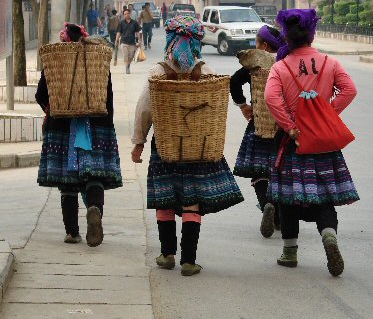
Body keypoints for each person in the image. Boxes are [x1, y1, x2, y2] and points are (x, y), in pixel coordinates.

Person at [131, 15, 244, 276]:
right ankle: (189, 260)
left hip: (166, 146)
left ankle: (167, 254)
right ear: (196, 43)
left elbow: (144, 110)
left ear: (170, 40)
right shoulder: (206, 72)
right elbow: (216, 111)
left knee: (165, 199)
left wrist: (139, 142)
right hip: (199, 147)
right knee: (192, 201)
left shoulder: (158, 73)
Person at [264, 9, 359, 276]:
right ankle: (329, 236)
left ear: (287, 37)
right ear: (311, 34)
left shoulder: (281, 67)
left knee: (288, 197)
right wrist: (327, 114)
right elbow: (350, 89)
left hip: (293, 141)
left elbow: (272, 98)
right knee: (325, 195)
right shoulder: (329, 62)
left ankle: (290, 252)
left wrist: (291, 126)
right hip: (323, 141)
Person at [35, 23, 123, 247]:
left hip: (61, 127)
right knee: (95, 175)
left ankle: (72, 232)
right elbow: (107, 96)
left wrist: (52, 109)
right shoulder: (97, 59)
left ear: (64, 40)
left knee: (67, 182)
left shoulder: (55, 61)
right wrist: (107, 126)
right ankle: (95, 210)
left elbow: (40, 94)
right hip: (97, 125)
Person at [230, 25, 286, 238]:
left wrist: (243, 105)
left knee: (258, 172)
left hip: (259, 124)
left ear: (263, 45)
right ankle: (279, 215)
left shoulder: (255, 62)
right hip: (283, 126)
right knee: (279, 172)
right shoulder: (285, 62)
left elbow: (234, 81)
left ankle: (265, 206)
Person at [116, 9, 142, 74]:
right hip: (123, 42)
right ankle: (127, 68)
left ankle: (128, 65)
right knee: (125, 55)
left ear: (129, 14)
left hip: (132, 43)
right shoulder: (121, 23)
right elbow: (119, 32)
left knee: (131, 57)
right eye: (125, 14)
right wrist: (117, 39)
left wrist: (139, 40)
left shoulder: (134, 22)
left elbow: (137, 32)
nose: (126, 15)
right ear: (123, 15)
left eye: (127, 13)